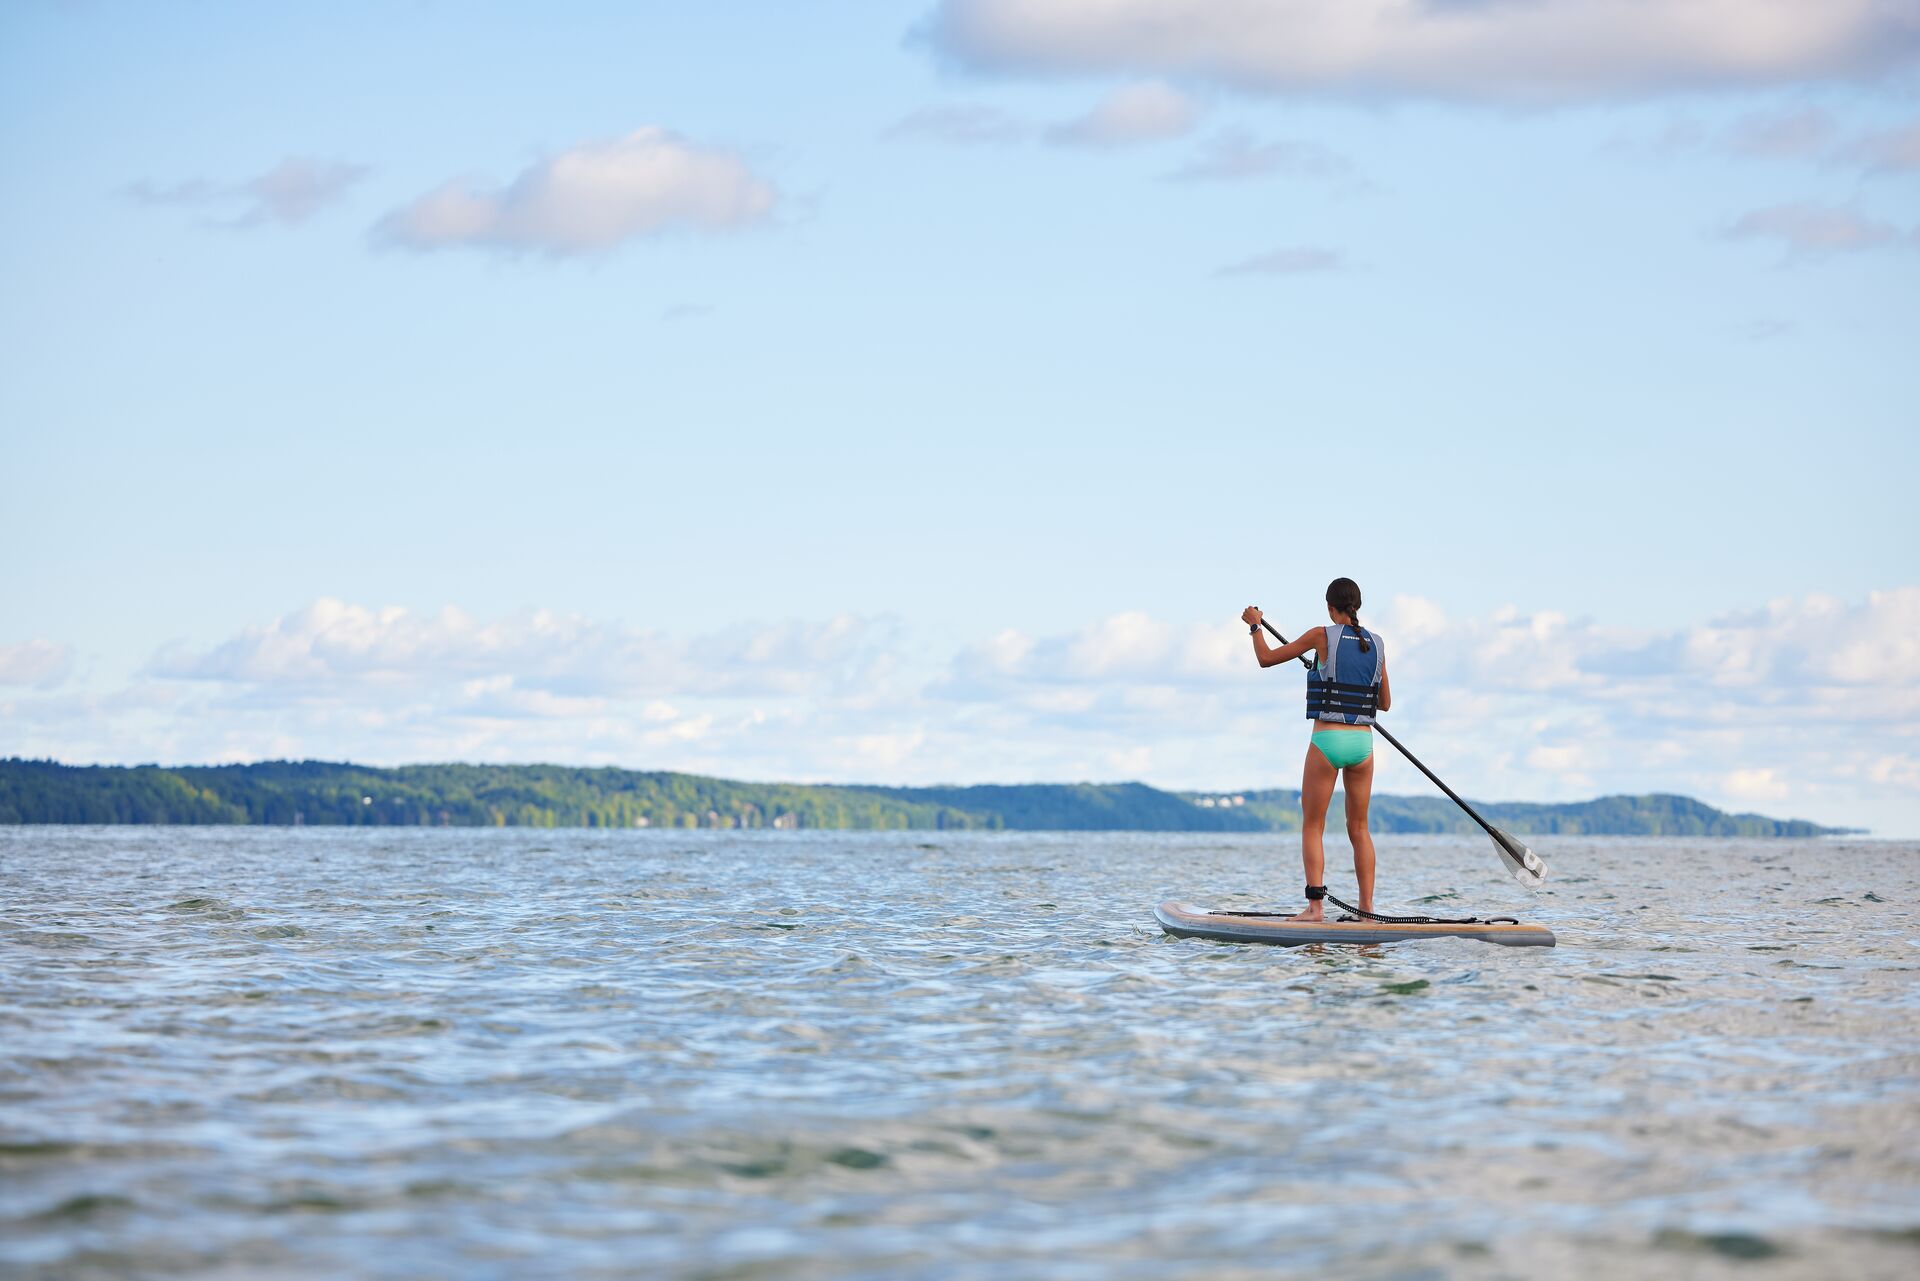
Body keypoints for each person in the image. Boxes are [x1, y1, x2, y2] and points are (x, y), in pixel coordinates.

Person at [1240, 578, 1390, 922]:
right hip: (1363, 745)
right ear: (1358, 605)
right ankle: (1367, 910)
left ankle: (1315, 908)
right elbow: (1384, 703)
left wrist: (1255, 626)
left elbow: (1265, 659)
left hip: (1328, 741)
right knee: (1360, 828)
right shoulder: (1378, 644)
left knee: (1313, 826)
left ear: (1329, 606)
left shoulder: (1321, 635)